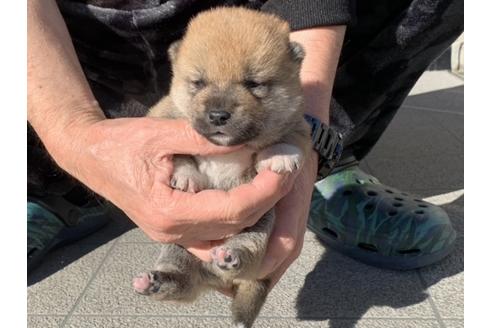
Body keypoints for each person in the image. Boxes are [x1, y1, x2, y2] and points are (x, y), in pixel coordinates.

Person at [27, 0, 463, 287]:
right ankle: (49, 179)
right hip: (70, 38)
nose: (220, 110)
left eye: (254, 86)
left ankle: (329, 158)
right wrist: (71, 131)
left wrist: (307, 129)